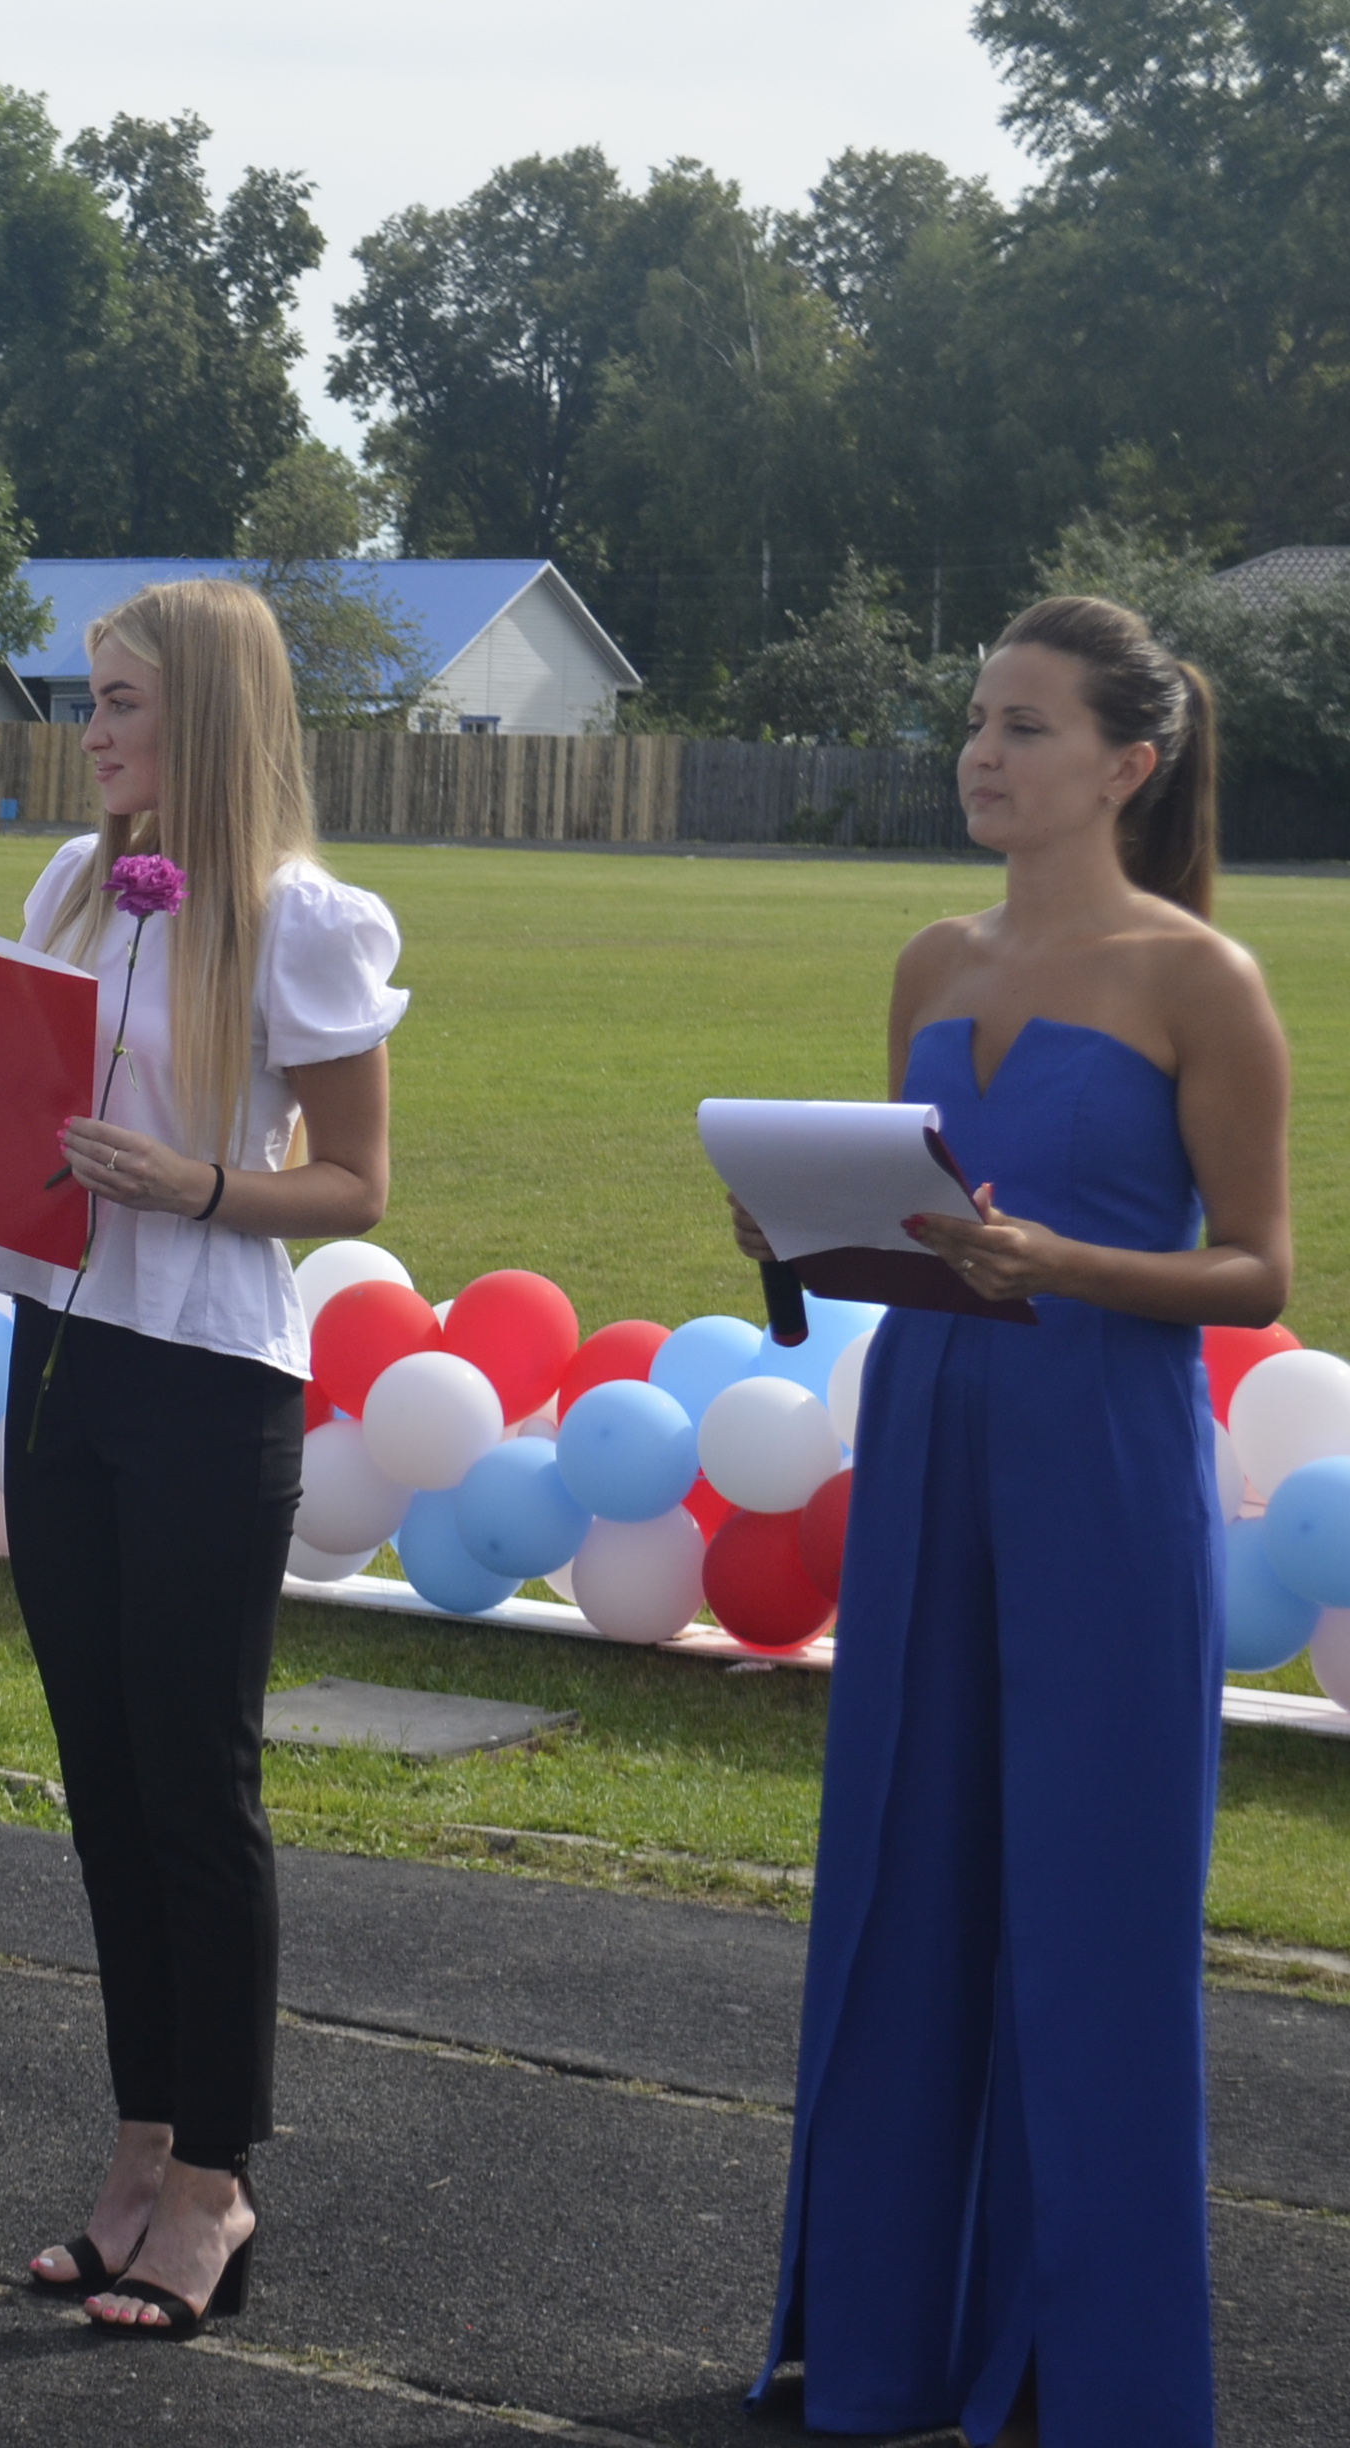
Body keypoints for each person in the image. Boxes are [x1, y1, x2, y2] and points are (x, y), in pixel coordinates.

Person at [0, 579, 402, 2337]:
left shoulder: (306, 921)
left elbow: (358, 1186)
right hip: (61, 1359)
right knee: (105, 1792)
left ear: (207, 716)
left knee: (196, 1796)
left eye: (124, 702)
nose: (95, 729)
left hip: (211, 1385)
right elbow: (21, 1149)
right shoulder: (74, 884)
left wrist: (198, 1186)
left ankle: (216, 2185)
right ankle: (139, 2154)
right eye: (92, 698)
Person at [738, 597, 1288, 2448]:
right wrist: (798, 1238)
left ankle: (1089, 2376)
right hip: (933, 1446)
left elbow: (1258, 1270)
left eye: (1027, 726)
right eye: (976, 719)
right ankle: (883, 2338)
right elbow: (907, 1230)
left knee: (1094, 1907)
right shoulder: (928, 961)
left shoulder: (1199, 979)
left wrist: (1066, 1261)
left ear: (1129, 766)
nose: (984, 751)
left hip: (1106, 1467)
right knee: (907, 1876)